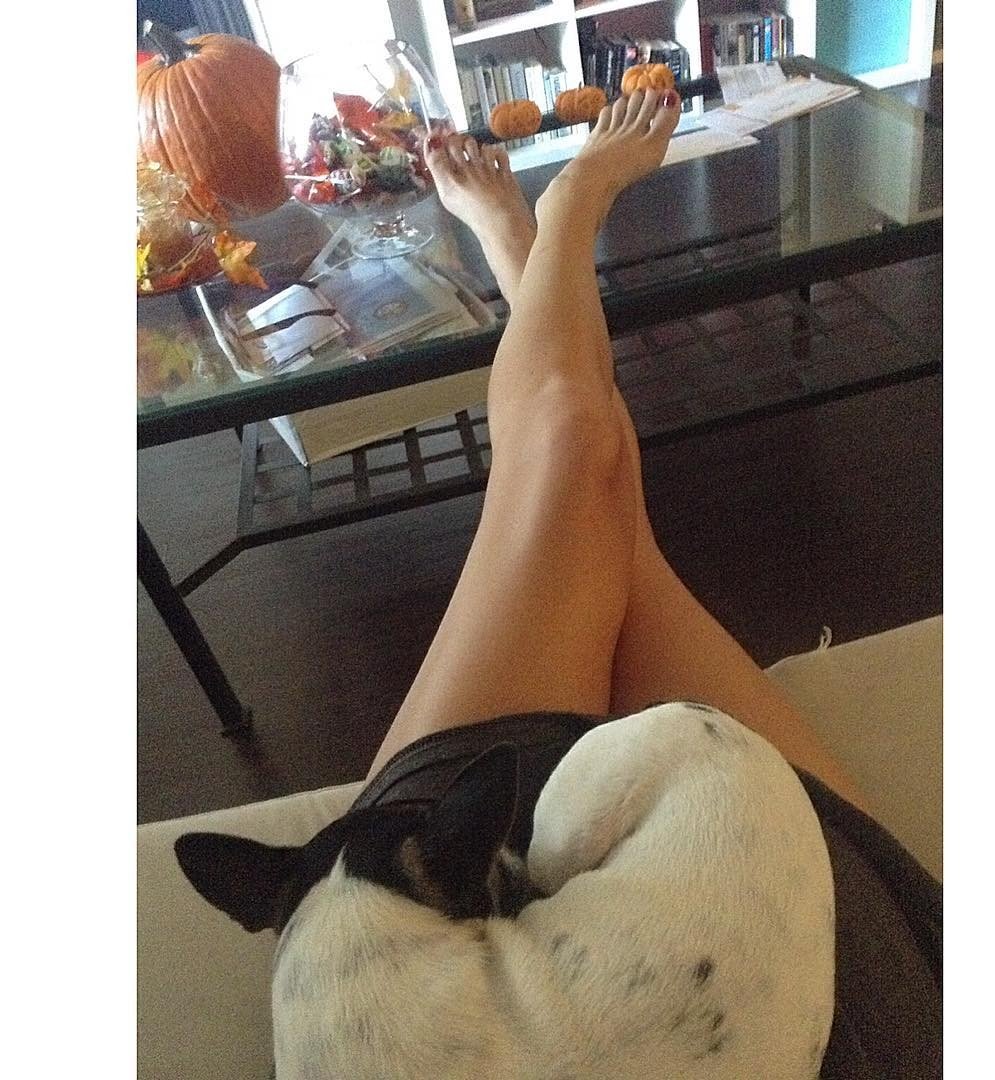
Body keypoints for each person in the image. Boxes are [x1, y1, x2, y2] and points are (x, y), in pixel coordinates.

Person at [354, 88, 941, 1078]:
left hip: (439, 980)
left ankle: (551, 229)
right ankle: (549, 230)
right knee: (602, 499)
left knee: (581, 456)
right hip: (879, 1018)